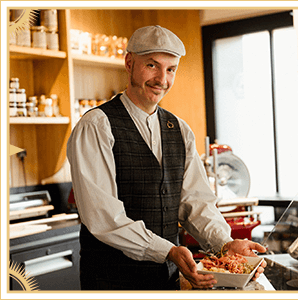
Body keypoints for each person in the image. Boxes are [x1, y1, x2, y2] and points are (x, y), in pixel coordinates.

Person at [67, 25, 266, 291]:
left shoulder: (180, 130)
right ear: (129, 63)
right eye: (152, 65)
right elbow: (104, 218)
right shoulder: (96, 126)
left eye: (171, 69)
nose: (162, 79)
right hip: (111, 282)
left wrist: (225, 244)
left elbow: (196, 203)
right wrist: (168, 250)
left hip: (166, 283)